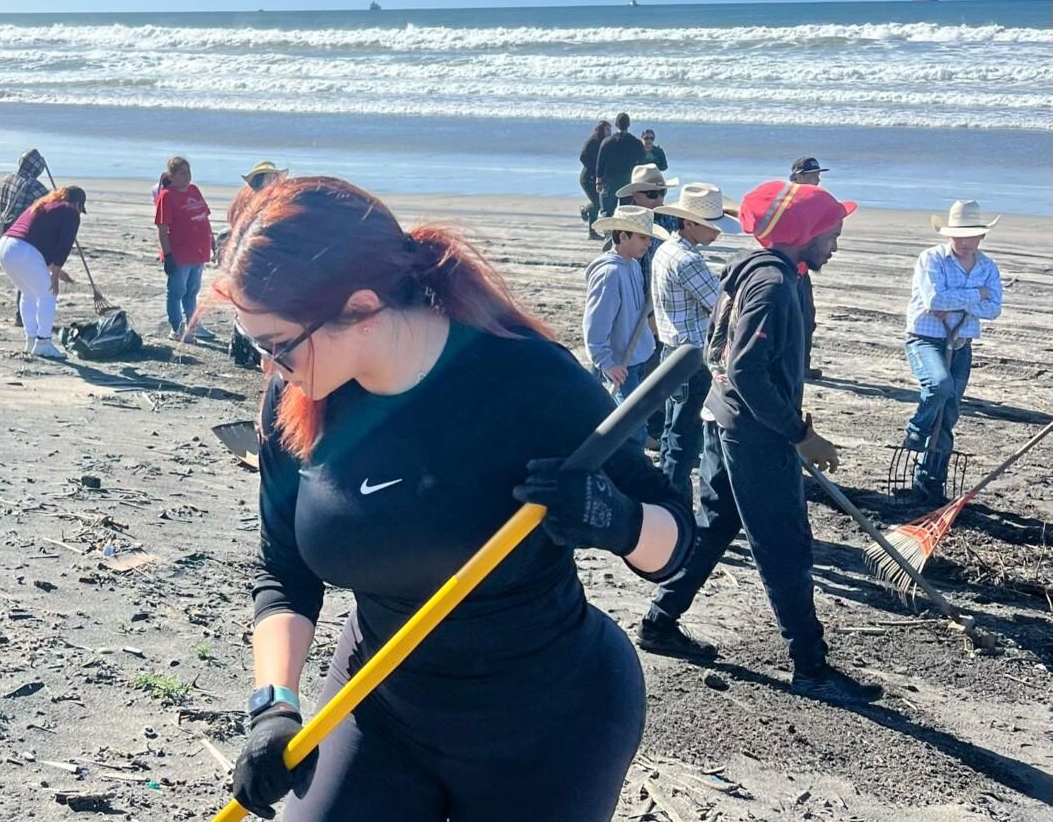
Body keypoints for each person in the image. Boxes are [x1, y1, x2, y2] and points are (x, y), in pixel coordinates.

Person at [214, 176, 695, 820]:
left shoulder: (528, 377)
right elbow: (283, 572)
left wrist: (613, 518)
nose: (270, 368)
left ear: (358, 307)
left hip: (549, 721)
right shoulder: (298, 402)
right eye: (256, 347)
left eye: (276, 345)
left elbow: (675, 548)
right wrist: (274, 703)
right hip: (378, 704)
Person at [639, 180, 885, 705]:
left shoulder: (765, 271)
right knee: (785, 547)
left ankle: (659, 622)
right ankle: (811, 668)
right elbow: (745, 369)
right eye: (831, 234)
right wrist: (797, 433)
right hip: (752, 433)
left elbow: (723, 352)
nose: (836, 245)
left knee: (713, 525)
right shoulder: (771, 284)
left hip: (727, 420)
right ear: (803, 234)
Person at [901, 200, 1003, 503]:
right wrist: (975, 296)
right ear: (948, 234)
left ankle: (930, 481)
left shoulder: (987, 266)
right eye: (956, 234)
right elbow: (934, 300)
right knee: (939, 385)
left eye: (969, 234)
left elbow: (994, 308)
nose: (962, 240)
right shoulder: (931, 259)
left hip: (960, 345)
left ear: (981, 237)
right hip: (925, 338)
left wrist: (957, 301)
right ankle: (916, 430)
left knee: (948, 415)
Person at [648, 184, 741, 501]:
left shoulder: (666, 250)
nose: (717, 232)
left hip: (673, 352)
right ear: (689, 223)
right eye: (711, 225)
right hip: (691, 357)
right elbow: (720, 305)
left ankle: (667, 498)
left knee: (674, 432)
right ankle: (673, 504)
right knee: (685, 438)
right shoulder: (688, 261)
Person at [583, 206, 669, 446]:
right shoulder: (610, 273)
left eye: (650, 238)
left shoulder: (631, 264)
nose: (648, 244)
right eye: (643, 238)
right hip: (619, 362)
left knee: (629, 418)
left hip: (636, 356)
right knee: (631, 427)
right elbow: (595, 323)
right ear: (623, 237)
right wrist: (606, 361)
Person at [0, 186, 86, 360]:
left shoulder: (46, 203)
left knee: (28, 293)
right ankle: (43, 343)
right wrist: (55, 273)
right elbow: (63, 245)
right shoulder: (70, 211)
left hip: (5, 247)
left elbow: (38, 242)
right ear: (78, 204)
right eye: (81, 210)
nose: (80, 214)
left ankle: (31, 340)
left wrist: (57, 272)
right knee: (48, 295)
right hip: (22, 250)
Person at [228, 162, 289, 368]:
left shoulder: (269, 200)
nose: (273, 182)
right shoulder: (255, 202)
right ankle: (245, 352)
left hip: (260, 256)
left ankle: (248, 352)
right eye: (269, 178)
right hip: (254, 257)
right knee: (250, 304)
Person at [155, 156, 215, 342]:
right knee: (176, 292)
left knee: (192, 292)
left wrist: (212, 241)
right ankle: (177, 328)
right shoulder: (167, 196)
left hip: (198, 251)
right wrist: (168, 255)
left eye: (188, 172)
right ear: (171, 176)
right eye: (182, 173)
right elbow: (163, 229)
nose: (187, 177)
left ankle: (192, 325)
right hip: (180, 253)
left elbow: (205, 217)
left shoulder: (194, 190)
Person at [0, 149, 49, 326]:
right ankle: (23, 316)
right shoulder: (34, 186)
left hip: (5, 231)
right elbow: (51, 203)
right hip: (24, 233)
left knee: (19, 276)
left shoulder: (7, 179)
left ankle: (21, 313)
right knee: (27, 276)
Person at [789, 157, 829, 379]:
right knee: (796, 318)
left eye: (818, 175)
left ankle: (802, 364)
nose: (818, 179)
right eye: (814, 175)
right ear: (799, 177)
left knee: (807, 318)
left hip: (802, 269)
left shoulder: (811, 201)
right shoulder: (788, 203)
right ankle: (796, 365)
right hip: (790, 269)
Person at [594, 112, 645, 220]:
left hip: (610, 180)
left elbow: (600, 163)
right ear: (629, 124)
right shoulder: (636, 143)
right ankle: (623, 234)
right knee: (626, 212)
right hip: (628, 181)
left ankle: (608, 235)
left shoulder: (607, 142)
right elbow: (642, 163)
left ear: (616, 124)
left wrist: (598, 181)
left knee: (607, 212)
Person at [578, 120, 611, 238]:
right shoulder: (592, 141)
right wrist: (594, 169)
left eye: (610, 129)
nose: (609, 132)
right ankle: (592, 232)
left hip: (598, 178)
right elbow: (582, 157)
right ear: (601, 130)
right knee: (597, 203)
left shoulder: (606, 142)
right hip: (587, 178)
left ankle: (585, 211)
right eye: (607, 129)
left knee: (597, 203)